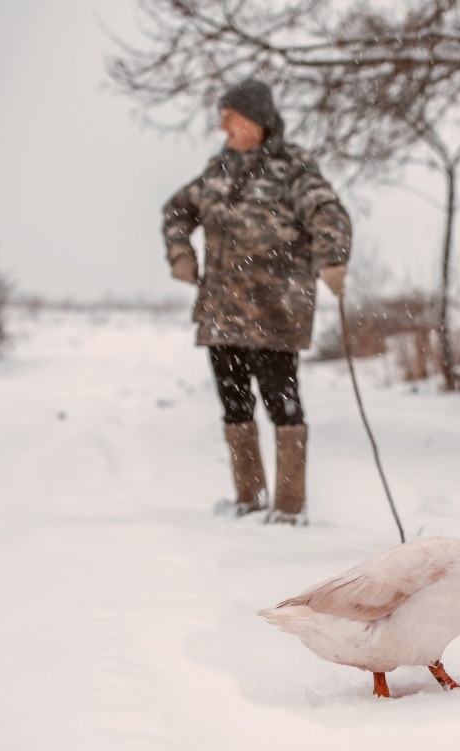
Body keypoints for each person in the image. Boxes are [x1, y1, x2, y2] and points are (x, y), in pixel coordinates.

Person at [163, 78, 351, 524]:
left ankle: (288, 508)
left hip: (275, 312)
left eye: (230, 114)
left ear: (256, 120)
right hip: (222, 312)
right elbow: (175, 210)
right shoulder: (216, 172)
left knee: (281, 404)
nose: (221, 123)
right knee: (234, 405)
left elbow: (329, 214)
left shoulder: (292, 170)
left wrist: (332, 259)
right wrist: (180, 253)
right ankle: (248, 499)